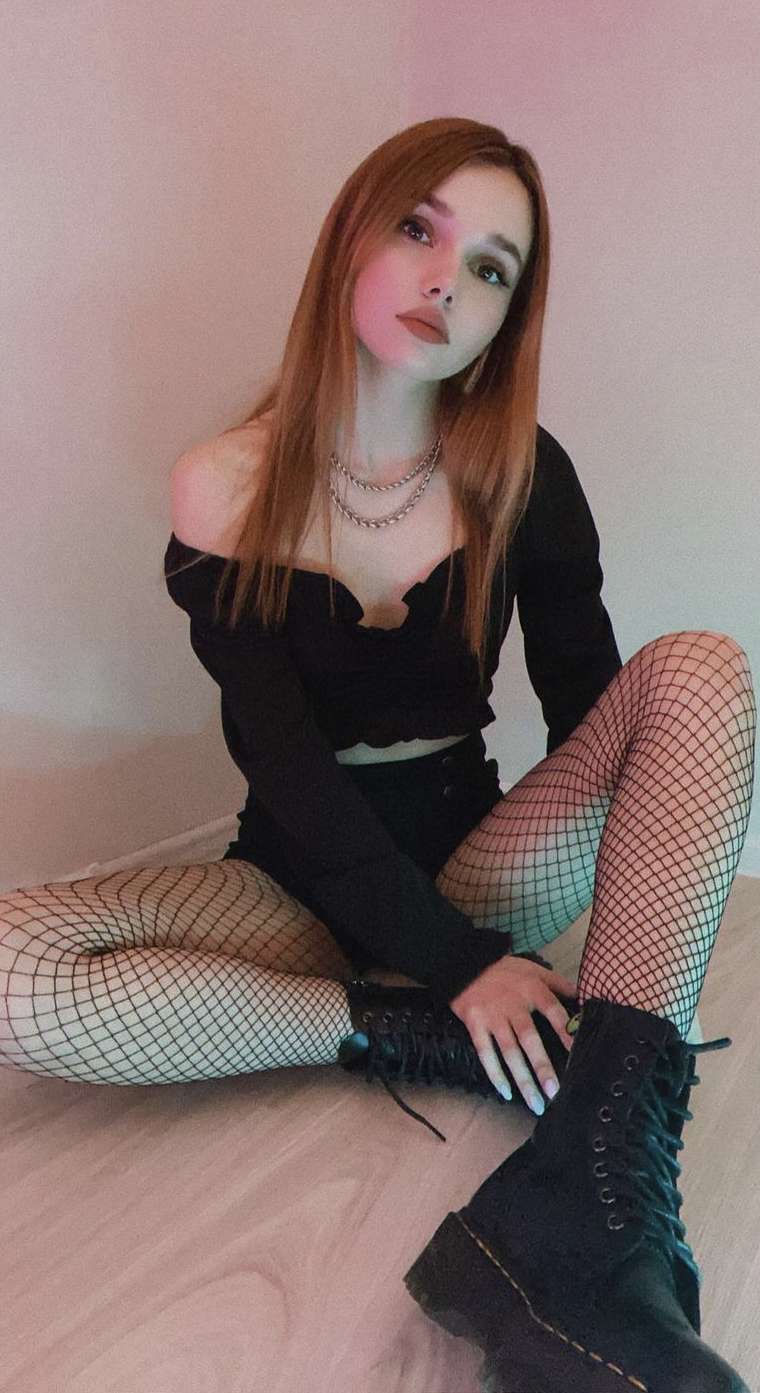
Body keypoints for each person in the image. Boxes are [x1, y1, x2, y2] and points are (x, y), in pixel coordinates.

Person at [0, 117, 754, 1390]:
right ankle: (414, 1035)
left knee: (696, 667)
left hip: (480, 857)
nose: (446, 281)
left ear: (505, 316)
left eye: (491, 268)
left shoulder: (521, 473)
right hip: (293, 883)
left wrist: (612, 913)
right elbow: (286, 765)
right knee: (12, 968)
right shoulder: (223, 486)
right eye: (419, 229)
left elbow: (592, 710)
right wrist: (458, 975)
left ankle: (601, 1170)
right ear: (352, 236)